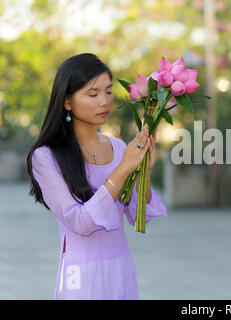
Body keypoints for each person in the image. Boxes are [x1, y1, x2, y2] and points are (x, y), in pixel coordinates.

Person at [26, 53, 167, 299]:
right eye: (93, 94)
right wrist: (123, 169)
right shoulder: (45, 157)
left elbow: (136, 215)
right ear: (67, 101)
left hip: (121, 270)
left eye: (109, 91)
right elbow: (80, 222)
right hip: (80, 276)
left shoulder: (119, 147)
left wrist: (144, 170)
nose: (104, 101)